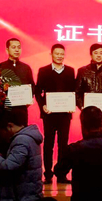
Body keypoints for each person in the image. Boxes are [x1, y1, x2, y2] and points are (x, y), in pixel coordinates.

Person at [35, 43, 76, 184]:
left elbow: (74, 91)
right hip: (49, 114)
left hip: (65, 114)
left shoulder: (70, 71)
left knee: (63, 144)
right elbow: (37, 91)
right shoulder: (44, 71)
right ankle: (47, 174)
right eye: (57, 53)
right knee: (48, 143)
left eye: (62, 54)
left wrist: (72, 104)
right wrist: (43, 106)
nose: (59, 56)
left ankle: (61, 174)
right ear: (51, 54)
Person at [75, 43, 102, 129]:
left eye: (101, 53)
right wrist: (82, 106)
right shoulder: (82, 71)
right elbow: (77, 91)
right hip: (87, 113)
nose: (99, 55)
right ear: (91, 54)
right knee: (88, 136)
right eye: (96, 53)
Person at [0, 38, 35, 120]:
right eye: (13, 47)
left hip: (21, 110)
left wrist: (29, 98)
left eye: (19, 47)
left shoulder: (26, 68)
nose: (17, 50)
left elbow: (32, 85)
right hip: (4, 110)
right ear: (7, 50)